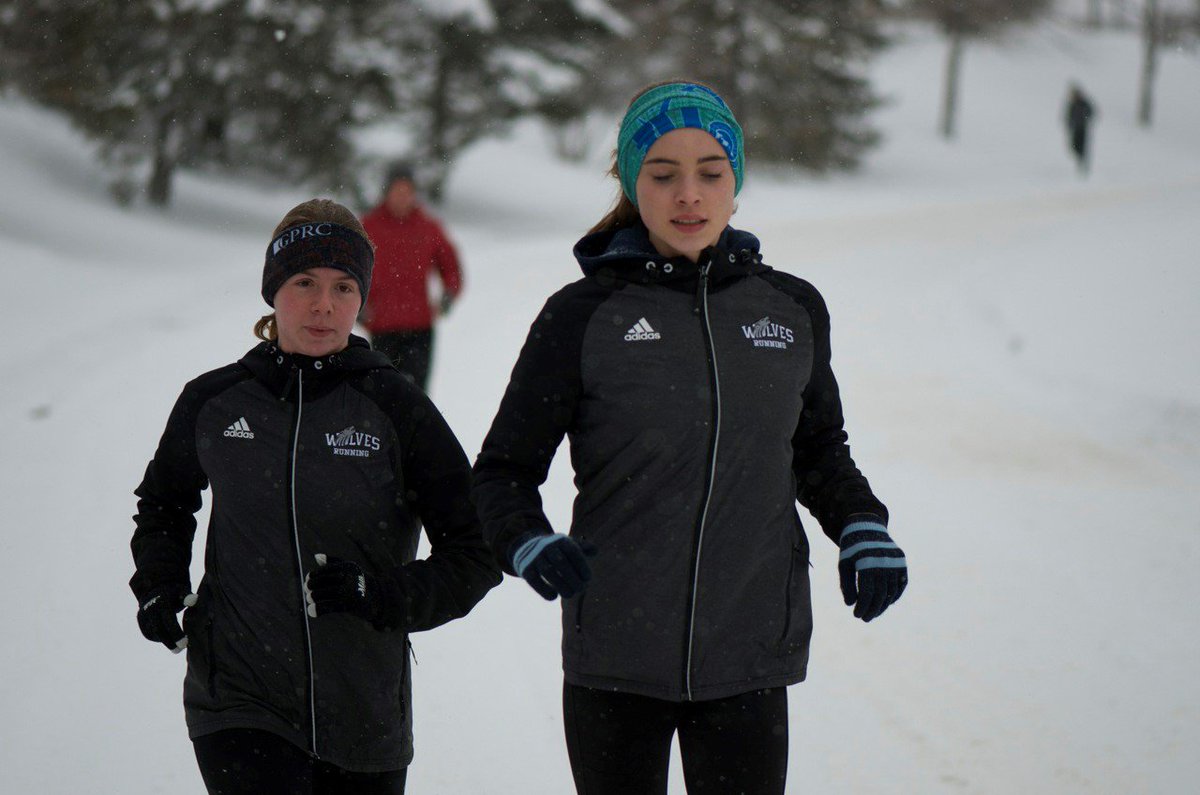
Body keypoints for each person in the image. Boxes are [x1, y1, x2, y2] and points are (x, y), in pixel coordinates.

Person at [472, 81, 908, 795]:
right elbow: (503, 470)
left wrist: (862, 524)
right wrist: (525, 539)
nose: (688, 195)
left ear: (736, 185)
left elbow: (820, 452)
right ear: (632, 184)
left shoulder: (791, 309)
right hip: (615, 655)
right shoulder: (582, 315)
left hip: (749, 652)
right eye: (663, 173)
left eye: (710, 172)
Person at [130, 198, 501, 794]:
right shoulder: (216, 401)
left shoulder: (397, 408)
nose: (324, 305)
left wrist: (382, 596)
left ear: (363, 299)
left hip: (363, 712)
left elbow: (477, 549)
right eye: (304, 282)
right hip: (237, 702)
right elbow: (166, 504)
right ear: (273, 290)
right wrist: (159, 588)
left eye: (344, 286)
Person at [360, 162, 464, 391]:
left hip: (420, 328)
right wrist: (357, 305)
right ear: (386, 192)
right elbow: (350, 270)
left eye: (408, 192)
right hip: (381, 327)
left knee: (417, 395)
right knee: (382, 393)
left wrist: (448, 294)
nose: (402, 197)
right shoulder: (369, 227)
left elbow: (451, 266)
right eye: (397, 191)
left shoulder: (428, 227)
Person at [1064, 84, 1096, 175]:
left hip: (1083, 127)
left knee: (1082, 146)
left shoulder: (1084, 103)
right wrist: (1069, 124)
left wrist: (1085, 119)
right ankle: (1079, 159)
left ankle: (1083, 164)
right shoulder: (1072, 104)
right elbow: (1069, 115)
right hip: (1075, 128)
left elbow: (1091, 112)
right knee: (1074, 145)